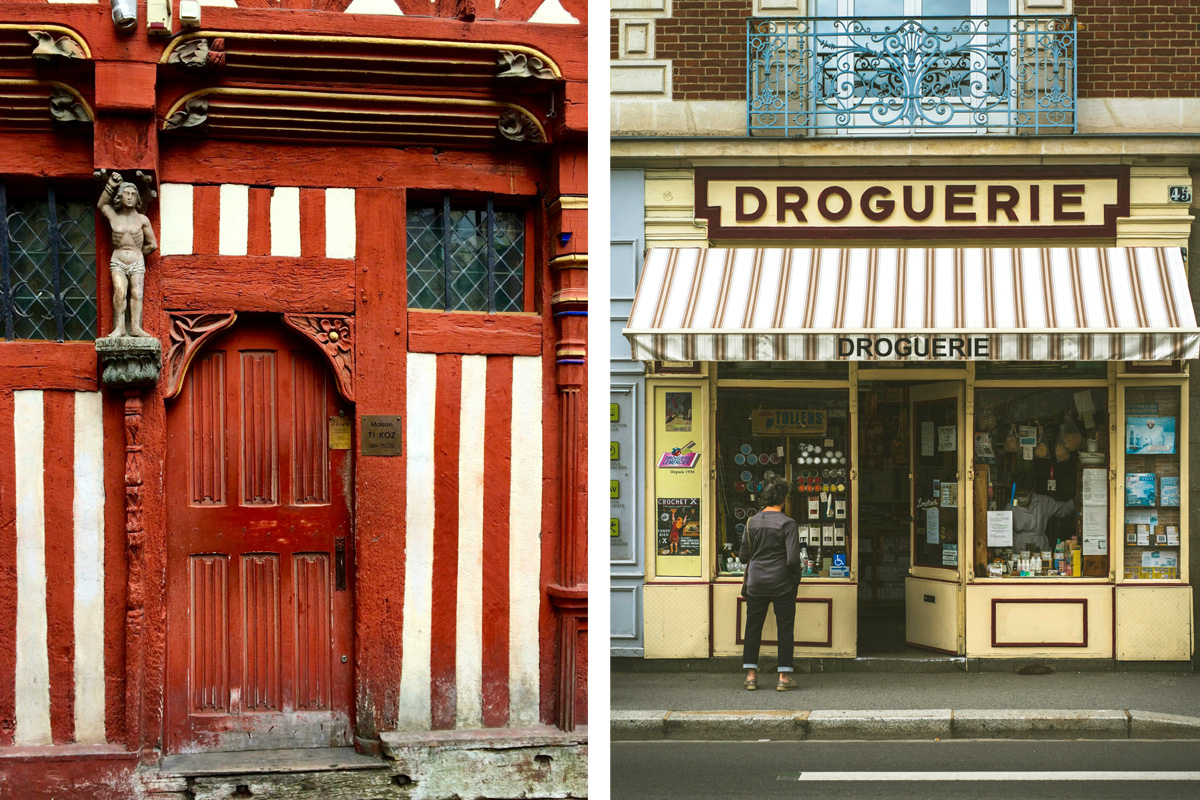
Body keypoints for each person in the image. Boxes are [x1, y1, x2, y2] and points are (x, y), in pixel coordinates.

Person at [740, 475, 803, 691]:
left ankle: (751, 676)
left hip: (756, 582)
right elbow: (793, 558)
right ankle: (783, 678)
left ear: (765, 497)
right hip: (782, 583)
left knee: (752, 627)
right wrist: (795, 579)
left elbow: (742, 556)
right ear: (784, 498)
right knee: (785, 628)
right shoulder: (788, 523)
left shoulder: (751, 522)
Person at [98, 172, 157, 338]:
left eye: (133, 194)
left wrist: (138, 254)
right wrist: (111, 184)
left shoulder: (142, 220)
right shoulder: (114, 216)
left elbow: (152, 244)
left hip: (137, 261)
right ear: (120, 196)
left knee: (137, 293)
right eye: (126, 194)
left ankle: (136, 327)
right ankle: (120, 327)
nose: (130, 197)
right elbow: (102, 205)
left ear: (137, 198)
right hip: (117, 260)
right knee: (120, 291)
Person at [1005, 473, 1077, 552]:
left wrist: (1075, 501)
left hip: (1040, 545)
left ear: (1031, 491)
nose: (1022, 497)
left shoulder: (1043, 502)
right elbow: (1005, 530)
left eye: (1025, 494)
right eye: (1019, 494)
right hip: (1019, 546)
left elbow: (1062, 509)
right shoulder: (1010, 506)